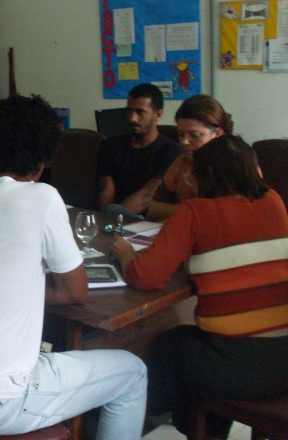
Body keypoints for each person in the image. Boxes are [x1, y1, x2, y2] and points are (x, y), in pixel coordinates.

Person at [0, 95, 147, 438]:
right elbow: (76, 292)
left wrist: (9, 286)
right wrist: (21, 287)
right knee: (133, 372)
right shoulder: (41, 197)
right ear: (41, 159)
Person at [110, 135, 288, 439]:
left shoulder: (194, 211)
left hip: (235, 368)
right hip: (283, 361)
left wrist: (125, 253)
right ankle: (210, 426)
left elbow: (146, 277)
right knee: (194, 346)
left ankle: (192, 426)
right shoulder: (274, 201)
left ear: (206, 175)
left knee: (168, 345)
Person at [97, 83, 181, 218]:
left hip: (148, 221)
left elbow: (147, 195)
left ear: (157, 114)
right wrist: (105, 218)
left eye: (140, 112)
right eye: (129, 111)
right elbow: (107, 190)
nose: (132, 118)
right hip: (113, 218)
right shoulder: (109, 146)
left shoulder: (172, 151)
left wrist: (116, 219)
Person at [147, 94, 231, 221]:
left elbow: (235, 214)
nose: (184, 142)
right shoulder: (182, 162)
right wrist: (190, 210)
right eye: (181, 135)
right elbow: (153, 210)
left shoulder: (238, 165)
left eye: (194, 135)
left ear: (218, 133)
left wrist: (185, 211)